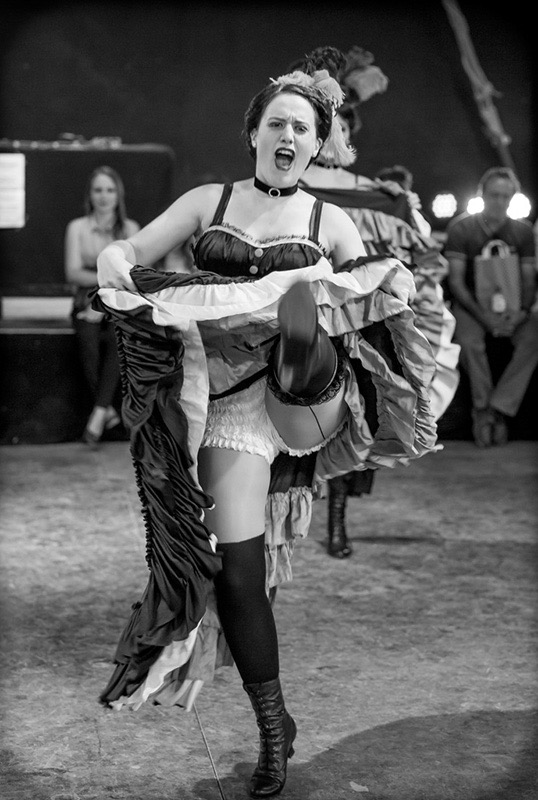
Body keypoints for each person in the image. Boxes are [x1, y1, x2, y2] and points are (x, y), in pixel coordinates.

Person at [93, 49, 438, 799]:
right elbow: (132, 249)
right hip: (198, 390)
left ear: (319, 145)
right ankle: (276, 720)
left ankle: (272, 730)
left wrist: (377, 289)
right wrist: (117, 260)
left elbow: (380, 288)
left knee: (241, 568)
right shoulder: (206, 202)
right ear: (254, 133)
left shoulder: (328, 218)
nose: (288, 135)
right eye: (277, 123)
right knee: (231, 572)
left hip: (275, 402)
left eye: (304, 128)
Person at [298, 48, 460, 558]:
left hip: (355, 320)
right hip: (295, 315)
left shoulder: (377, 196)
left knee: (357, 407)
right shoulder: (284, 190)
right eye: (325, 120)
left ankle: (336, 517)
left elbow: (420, 261)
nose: (334, 131)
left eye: (342, 121)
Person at [444, 166, 538, 447]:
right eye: (494, 195)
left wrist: (521, 312)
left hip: (512, 306)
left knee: (534, 336)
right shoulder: (462, 228)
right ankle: (482, 410)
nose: (499, 202)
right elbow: (457, 282)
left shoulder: (522, 231)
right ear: (482, 195)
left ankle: (500, 407)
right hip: (472, 306)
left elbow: (528, 278)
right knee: (468, 341)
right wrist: (485, 317)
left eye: (505, 197)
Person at [64, 165, 140, 446]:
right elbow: (72, 273)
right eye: (98, 190)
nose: (104, 196)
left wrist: (106, 299)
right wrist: (105, 284)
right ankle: (106, 409)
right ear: (90, 195)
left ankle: (98, 412)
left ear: (118, 195)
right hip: (85, 299)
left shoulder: (131, 229)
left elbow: (134, 275)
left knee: (116, 336)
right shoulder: (77, 228)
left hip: (119, 301)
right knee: (87, 337)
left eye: (110, 190)